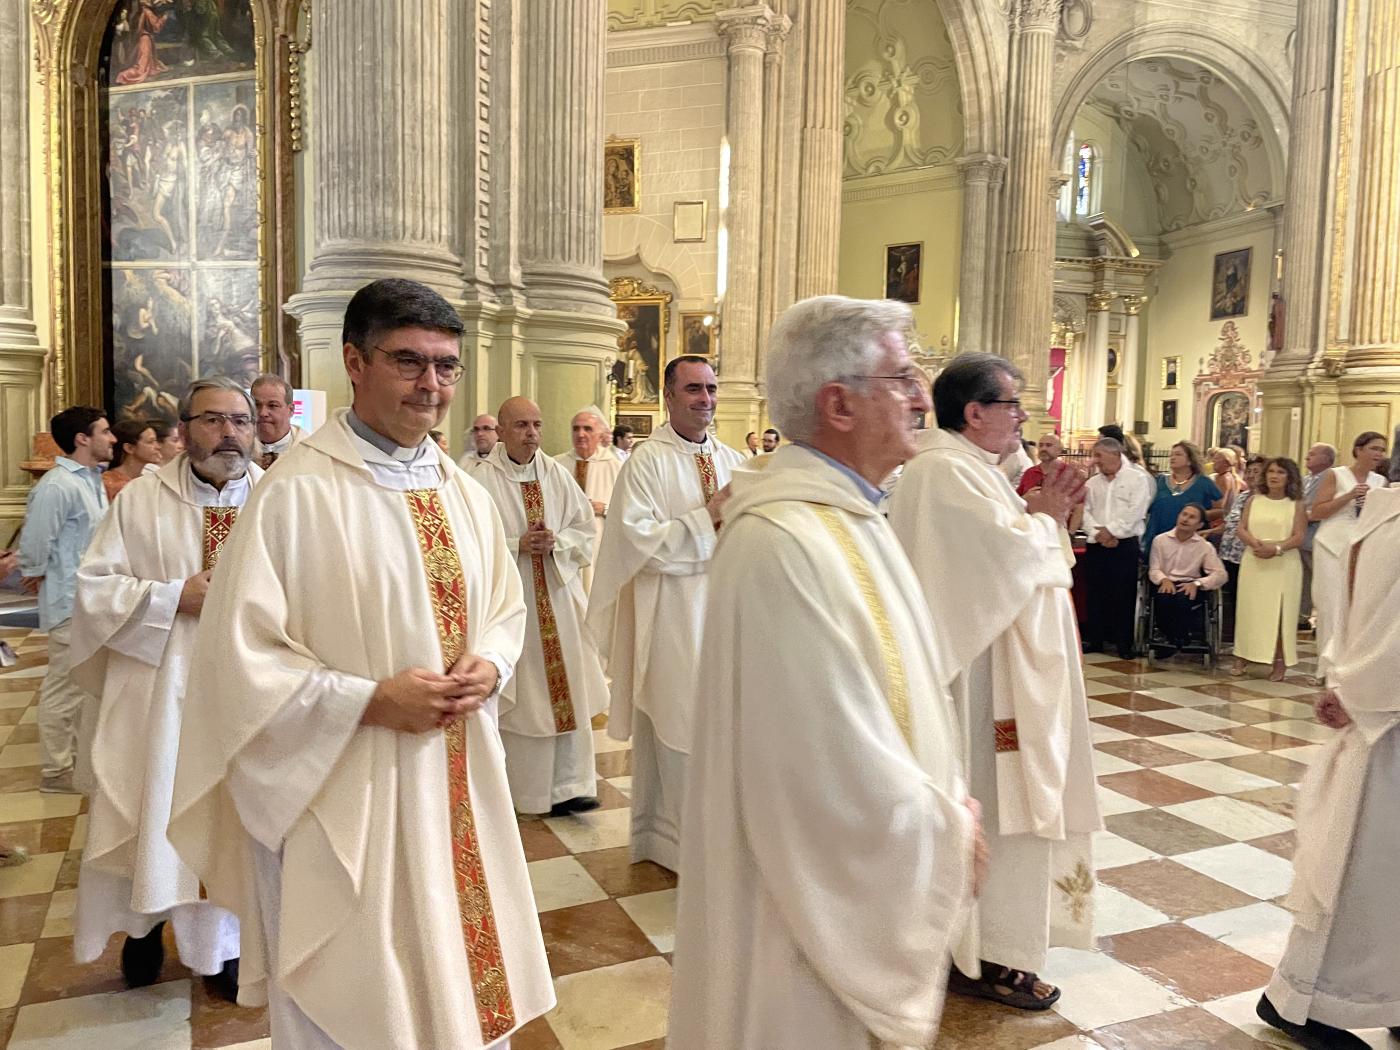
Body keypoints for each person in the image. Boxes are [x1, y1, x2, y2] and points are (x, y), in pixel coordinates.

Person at [168, 279, 553, 1048]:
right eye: (409, 362)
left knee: (456, 976)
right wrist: (369, 700)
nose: (432, 386)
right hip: (346, 786)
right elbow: (239, 664)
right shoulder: (295, 495)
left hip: (457, 780)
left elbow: (505, 613)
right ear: (355, 360)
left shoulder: (464, 493)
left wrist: (493, 666)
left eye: (447, 366)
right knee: (357, 995)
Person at [670, 294, 984, 1050]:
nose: (921, 399)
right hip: (803, 930)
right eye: (903, 379)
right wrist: (943, 828)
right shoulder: (784, 540)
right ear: (839, 404)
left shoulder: (847, 514)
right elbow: (815, 777)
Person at [890, 352, 1100, 1013]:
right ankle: (977, 955)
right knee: (996, 808)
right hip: (978, 689)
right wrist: (1044, 517)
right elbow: (1005, 564)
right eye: (1012, 405)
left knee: (1014, 810)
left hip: (1003, 680)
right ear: (973, 411)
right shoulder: (940, 470)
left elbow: (1018, 552)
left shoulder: (968, 468)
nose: (1021, 418)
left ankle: (992, 948)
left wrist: (1042, 513)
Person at [71, 378, 261, 1000]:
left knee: (236, 822)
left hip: (248, 698)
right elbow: (94, 590)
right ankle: (145, 926)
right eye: (213, 420)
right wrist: (174, 595)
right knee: (152, 815)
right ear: (183, 430)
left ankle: (223, 949)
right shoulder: (140, 501)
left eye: (240, 420)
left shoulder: (280, 500)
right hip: (160, 698)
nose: (228, 433)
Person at [586, 355, 744, 871]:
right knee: (680, 724)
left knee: (725, 726)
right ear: (670, 397)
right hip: (673, 614)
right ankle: (676, 845)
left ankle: (722, 842)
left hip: (725, 611)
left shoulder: (732, 459)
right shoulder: (647, 462)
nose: (706, 399)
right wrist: (709, 517)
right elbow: (641, 545)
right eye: (694, 389)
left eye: (712, 388)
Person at [1257, 484, 1400, 1049]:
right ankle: (1301, 1002)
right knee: (1365, 869)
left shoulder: (1381, 511)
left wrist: (1342, 680)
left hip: (1379, 709)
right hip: (1387, 723)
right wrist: (1354, 688)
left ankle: (1388, 994)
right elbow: (1388, 635)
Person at [472, 397, 608, 816]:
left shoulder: (557, 475)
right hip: (514, 605)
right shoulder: (478, 479)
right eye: (521, 425)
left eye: (537, 424)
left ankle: (571, 785)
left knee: (567, 686)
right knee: (526, 695)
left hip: (558, 596)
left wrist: (558, 544)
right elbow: (469, 541)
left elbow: (584, 527)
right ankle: (526, 792)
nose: (531, 433)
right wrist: (517, 546)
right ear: (502, 430)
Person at [18, 406, 116, 794]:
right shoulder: (58, 484)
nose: (112, 439)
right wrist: (34, 568)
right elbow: (38, 538)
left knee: (84, 684)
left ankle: (77, 761)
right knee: (65, 685)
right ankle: (56, 770)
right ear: (82, 438)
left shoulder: (89, 479)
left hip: (90, 600)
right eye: (105, 432)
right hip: (68, 600)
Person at [1310, 431, 1389, 680]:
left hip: (1362, 547)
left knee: (1355, 608)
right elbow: (1317, 511)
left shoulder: (1380, 482)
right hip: (1332, 544)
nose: (1378, 454)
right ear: (1359, 449)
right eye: (1374, 448)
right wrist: (1349, 496)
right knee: (1329, 605)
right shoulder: (1337, 474)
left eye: (1382, 450)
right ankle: (1325, 666)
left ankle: (1347, 666)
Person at [1233, 458, 1307, 681]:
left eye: (1281, 472)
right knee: (1250, 610)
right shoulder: (1254, 500)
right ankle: (1242, 656)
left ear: (1290, 477)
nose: (1274, 476)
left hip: (1283, 562)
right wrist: (1256, 544)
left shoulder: (1296, 504)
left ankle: (1280, 662)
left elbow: (1299, 537)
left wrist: (1275, 548)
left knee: (1280, 613)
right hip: (1254, 559)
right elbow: (1241, 528)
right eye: (1271, 471)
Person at [1080, 437, 1154, 658]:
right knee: (1095, 592)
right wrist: (1097, 533)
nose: (1095, 461)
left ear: (1114, 454)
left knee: (1123, 593)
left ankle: (1123, 642)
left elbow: (1136, 511)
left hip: (1124, 544)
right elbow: (1084, 511)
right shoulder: (1093, 482)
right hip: (1097, 544)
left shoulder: (1137, 479)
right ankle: (1095, 639)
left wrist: (1112, 531)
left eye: (1099, 456)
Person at [555, 407, 622, 592]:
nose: (581, 434)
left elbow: (630, 510)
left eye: (587, 429)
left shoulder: (616, 467)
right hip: (565, 544)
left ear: (600, 434)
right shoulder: (557, 466)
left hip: (600, 544)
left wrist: (606, 509)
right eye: (576, 429)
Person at [1148, 504, 1227, 654]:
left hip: (1190, 584)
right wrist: (1163, 579)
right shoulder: (1160, 540)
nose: (1186, 519)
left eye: (1192, 517)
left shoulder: (1205, 546)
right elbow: (1154, 569)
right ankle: (1171, 637)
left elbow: (1221, 574)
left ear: (1199, 525)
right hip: (1165, 581)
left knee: (1182, 598)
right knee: (1164, 597)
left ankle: (1182, 637)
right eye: (1184, 514)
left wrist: (1197, 583)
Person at [1142, 441, 1224, 558]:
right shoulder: (1159, 481)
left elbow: (1220, 510)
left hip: (1188, 541)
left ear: (1190, 460)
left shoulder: (1204, 483)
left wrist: (1197, 516)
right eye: (1172, 455)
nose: (1173, 458)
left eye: (1178, 454)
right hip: (1158, 539)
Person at [1216, 455, 1266, 644]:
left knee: (1248, 599)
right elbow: (1229, 524)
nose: (1252, 475)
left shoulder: (1264, 500)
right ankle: (1236, 637)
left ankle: (1249, 639)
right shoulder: (1243, 496)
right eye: (1250, 471)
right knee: (1234, 597)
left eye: (1257, 472)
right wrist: (1208, 531)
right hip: (1229, 554)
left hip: (1247, 555)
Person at [1300, 443, 1336, 631]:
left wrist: (1302, 514)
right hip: (1302, 537)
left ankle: (1324, 619)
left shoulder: (1330, 479)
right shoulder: (1306, 479)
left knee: (1321, 580)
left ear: (1326, 459)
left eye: (1312, 454)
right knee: (1304, 579)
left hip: (1318, 535)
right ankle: (1302, 616)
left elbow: (1319, 508)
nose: (1307, 457)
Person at [251, 374, 308, 468]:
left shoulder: (308, 451)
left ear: (291, 410)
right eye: (257, 405)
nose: (262, 413)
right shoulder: (239, 447)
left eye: (272, 405)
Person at [102, 419, 162, 501]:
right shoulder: (108, 484)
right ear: (129, 448)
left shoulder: (148, 480)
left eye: (156, 441)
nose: (158, 447)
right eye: (150, 442)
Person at [1210, 446, 1245, 516]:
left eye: (1217, 458)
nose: (1213, 461)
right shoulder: (1221, 476)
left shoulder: (1225, 478)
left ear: (1226, 463)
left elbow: (1219, 506)